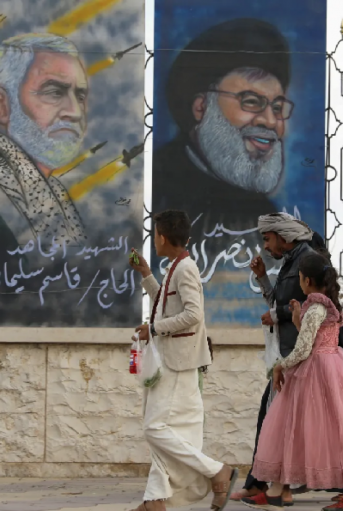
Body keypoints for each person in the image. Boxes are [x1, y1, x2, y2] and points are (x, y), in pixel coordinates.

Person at [231, 214, 343, 506]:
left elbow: (315, 306)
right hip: (293, 353)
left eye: (268, 239)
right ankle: (276, 487)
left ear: (284, 236)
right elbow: (282, 303)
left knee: (283, 421)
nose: (265, 246)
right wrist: (262, 278)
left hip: (303, 358)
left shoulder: (308, 261)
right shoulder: (290, 262)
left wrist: (279, 318)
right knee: (282, 422)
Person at [128, 210, 238, 511]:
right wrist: (146, 273)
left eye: (154, 235)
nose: (154, 240)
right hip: (171, 360)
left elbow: (193, 314)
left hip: (179, 362)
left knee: (155, 428)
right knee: (171, 432)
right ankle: (155, 500)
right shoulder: (175, 267)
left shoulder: (186, 268)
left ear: (162, 237)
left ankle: (217, 472)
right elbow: (165, 305)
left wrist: (153, 329)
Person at [152, 19, 294, 236]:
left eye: (277, 107)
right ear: (201, 107)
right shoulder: (155, 186)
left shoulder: (263, 212)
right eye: (251, 102)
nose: (271, 121)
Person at [0, 33, 88, 247]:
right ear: (1, 106)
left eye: (80, 96)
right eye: (54, 93)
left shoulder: (52, 188)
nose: (75, 112)